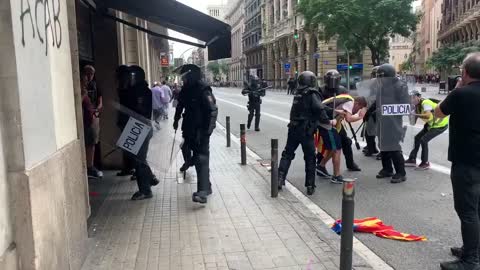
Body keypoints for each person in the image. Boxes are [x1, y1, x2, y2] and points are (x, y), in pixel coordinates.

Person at [434, 53, 480, 270]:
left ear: (465, 72)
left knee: (467, 211)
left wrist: (457, 87)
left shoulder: (460, 94)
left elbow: (437, 113)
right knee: (477, 209)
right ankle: (473, 249)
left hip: (466, 162)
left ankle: (470, 260)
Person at [278, 71, 331, 195]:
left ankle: (279, 179)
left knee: (287, 154)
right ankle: (310, 184)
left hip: (293, 128)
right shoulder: (312, 93)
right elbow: (318, 108)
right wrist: (327, 120)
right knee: (310, 157)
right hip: (306, 130)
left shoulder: (298, 93)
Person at [173, 64, 218, 204]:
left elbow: (212, 111)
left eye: (186, 76)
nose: (184, 79)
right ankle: (207, 185)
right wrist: (175, 120)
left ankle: (203, 191)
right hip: (189, 128)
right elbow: (179, 105)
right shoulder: (186, 89)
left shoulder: (203, 89)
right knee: (186, 148)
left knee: (201, 158)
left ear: (192, 75)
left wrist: (207, 132)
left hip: (200, 130)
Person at [317, 70, 362, 174]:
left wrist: (346, 113)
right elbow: (318, 105)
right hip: (324, 121)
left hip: (337, 121)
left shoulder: (342, 90)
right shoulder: (321, 90)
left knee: (346, 141)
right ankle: (320, 164)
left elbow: (348, 103)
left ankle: (350, 163)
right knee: (323, 144)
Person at [375, 64, 408, 184]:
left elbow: (405, 105)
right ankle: (387, 168)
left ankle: (401, 172)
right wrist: (370, 112)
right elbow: (377, 102)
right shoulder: (381, 87)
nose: (379, 79)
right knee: (383, 145)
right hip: (382, 120)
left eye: (381, 76)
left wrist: (388, 109)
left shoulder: (400, 86)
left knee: (394, 147)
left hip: (393, 122)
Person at [128, 66, 158, 200]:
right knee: (140, 158)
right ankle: (150, 178)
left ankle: (145, 190)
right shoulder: (139, 90)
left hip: (140, 127)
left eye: (131, 76)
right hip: (140, 126)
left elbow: (140, 110)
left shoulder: (140, 91)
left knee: (139, 160)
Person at [405, 91, 449, 170]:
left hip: (440, 125)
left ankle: (425, 163)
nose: (412, 100)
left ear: (419, 97)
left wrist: (415, 115)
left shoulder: (425, 102)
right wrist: (411, 116)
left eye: (414, 97)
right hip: (431, 124)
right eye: (410, 98)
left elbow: (428, 116)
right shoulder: (416, 107)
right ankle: (412, 159)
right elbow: (413, 123)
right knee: (417, 138)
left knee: (423, 140)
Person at [81, 65, 103, 178]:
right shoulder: (81, 86)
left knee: (93, 142)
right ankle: (88, 166)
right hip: (84, 119)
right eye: (87, 74)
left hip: (93, 117)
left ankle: (91, 165)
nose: (89, 76)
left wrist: (98, 109)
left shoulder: (95, 85)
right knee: (88, 143)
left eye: (91, 74)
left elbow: (100, 100)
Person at [116, 65, 136, 177]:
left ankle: (142, 172)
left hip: (129, 120)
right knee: (127, 146)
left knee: (132, 147)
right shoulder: (125, 86)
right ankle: (129, 168)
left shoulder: (129, 87)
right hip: (126, 120)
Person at [363, 66, 380, 157]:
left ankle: (373, 149)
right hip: (373, 109)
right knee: (371, 131)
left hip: (377, 110)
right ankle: (372, 148)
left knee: (373, 132)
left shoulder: (378, 83)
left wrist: (368, 111)